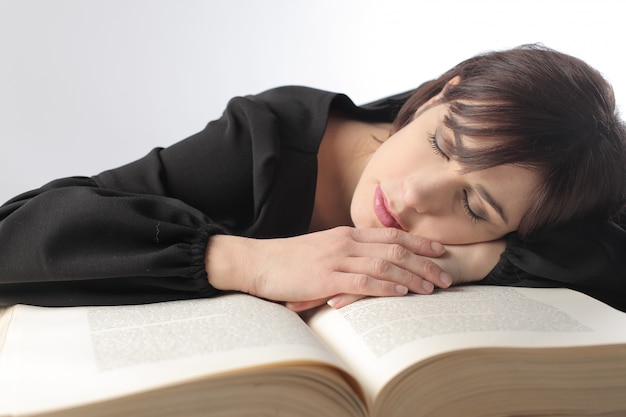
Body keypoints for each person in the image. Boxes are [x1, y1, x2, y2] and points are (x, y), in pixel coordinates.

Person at [0, 44, 625, 311]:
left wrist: (471, 262)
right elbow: (20, 232)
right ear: (444, 92)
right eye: (439, 142)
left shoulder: (564, 182)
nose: (412, 196)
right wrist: (250, 263)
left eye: (475, 206)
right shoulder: (266, 141)